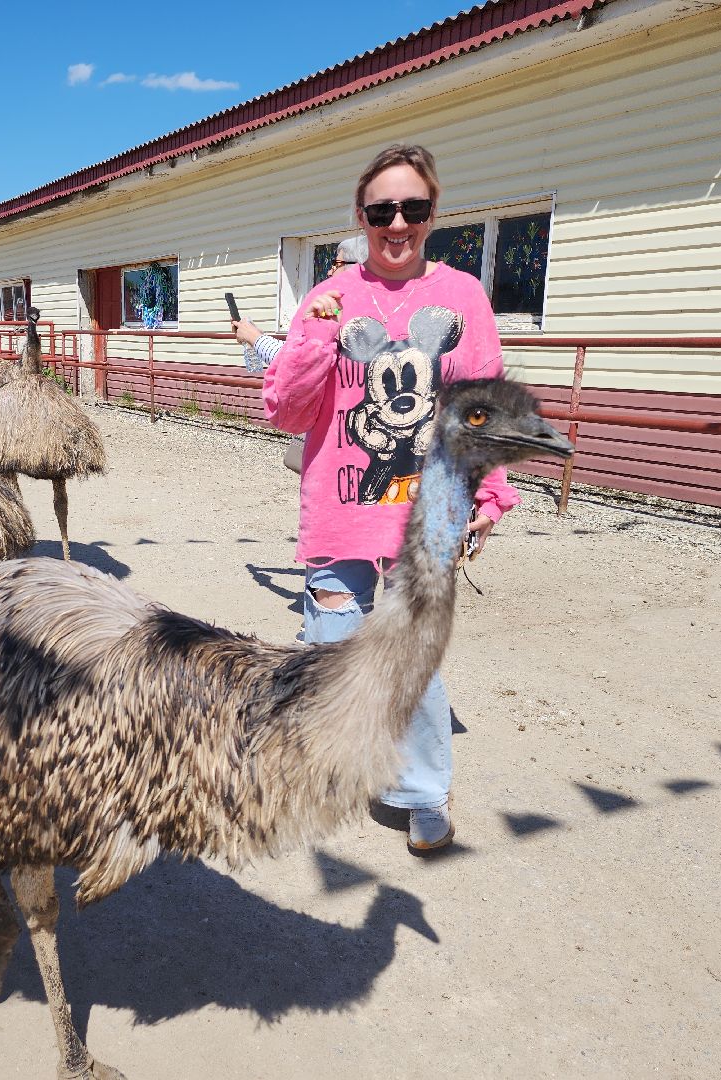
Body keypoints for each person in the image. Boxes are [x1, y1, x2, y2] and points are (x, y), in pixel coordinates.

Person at [261, 144, 520, 854]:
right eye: (382, 209)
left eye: (413, 208)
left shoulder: (462, 295)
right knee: (333, 650)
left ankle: (423, 790)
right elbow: (283, 409)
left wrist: (491, 496)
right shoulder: (329, 296)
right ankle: (335, 772)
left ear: (434, 213)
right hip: (342, 508)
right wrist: (316, 335)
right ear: (361, 215)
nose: (397, 222)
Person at [231, 234, 368, 375]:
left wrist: (254, 338)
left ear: (355, 267)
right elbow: (298, 350)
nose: (328, 272)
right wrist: (256, 334)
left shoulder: (347, 314)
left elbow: (295, 364)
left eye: (335, 265)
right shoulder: (344, 310)